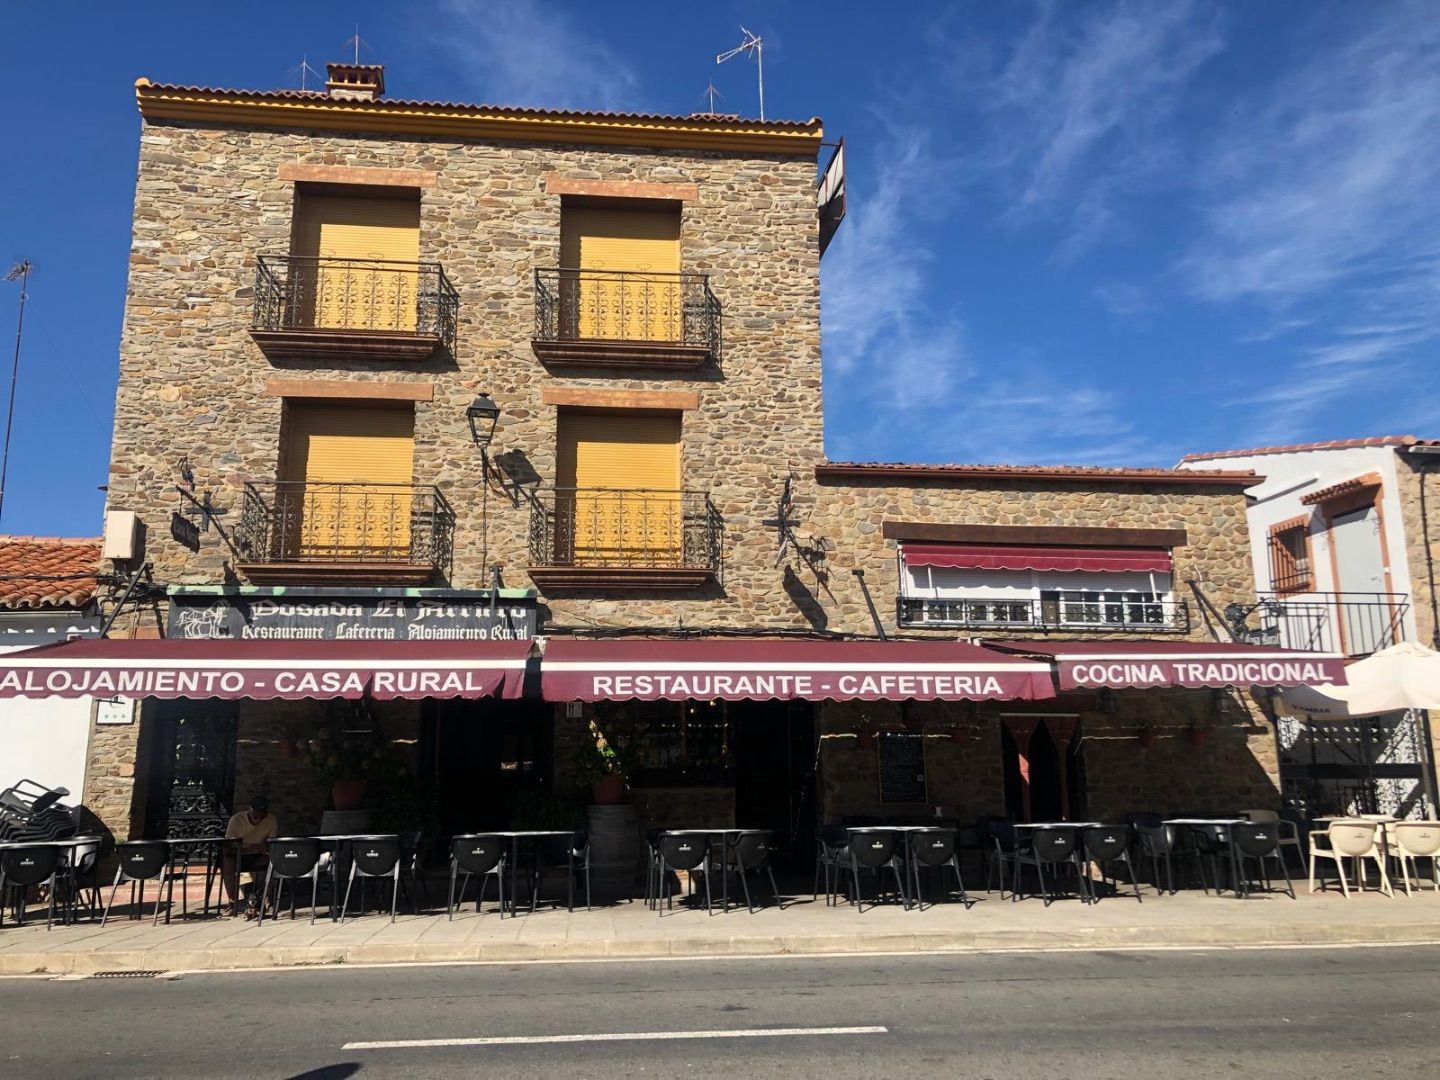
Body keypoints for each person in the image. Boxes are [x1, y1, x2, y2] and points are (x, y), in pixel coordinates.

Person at [222, 795, 278, 917]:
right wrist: (244, 850)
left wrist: (265, 848)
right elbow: (227, 847)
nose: (258, 819)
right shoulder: (236, 820)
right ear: (250, 809)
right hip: (238, 854)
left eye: (261, 815)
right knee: (227, 861)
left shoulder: (271, 820)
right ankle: (233, 901)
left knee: (274, 861)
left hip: (258, 855)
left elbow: (272, 842)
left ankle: (265, 898)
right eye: (255, 814)